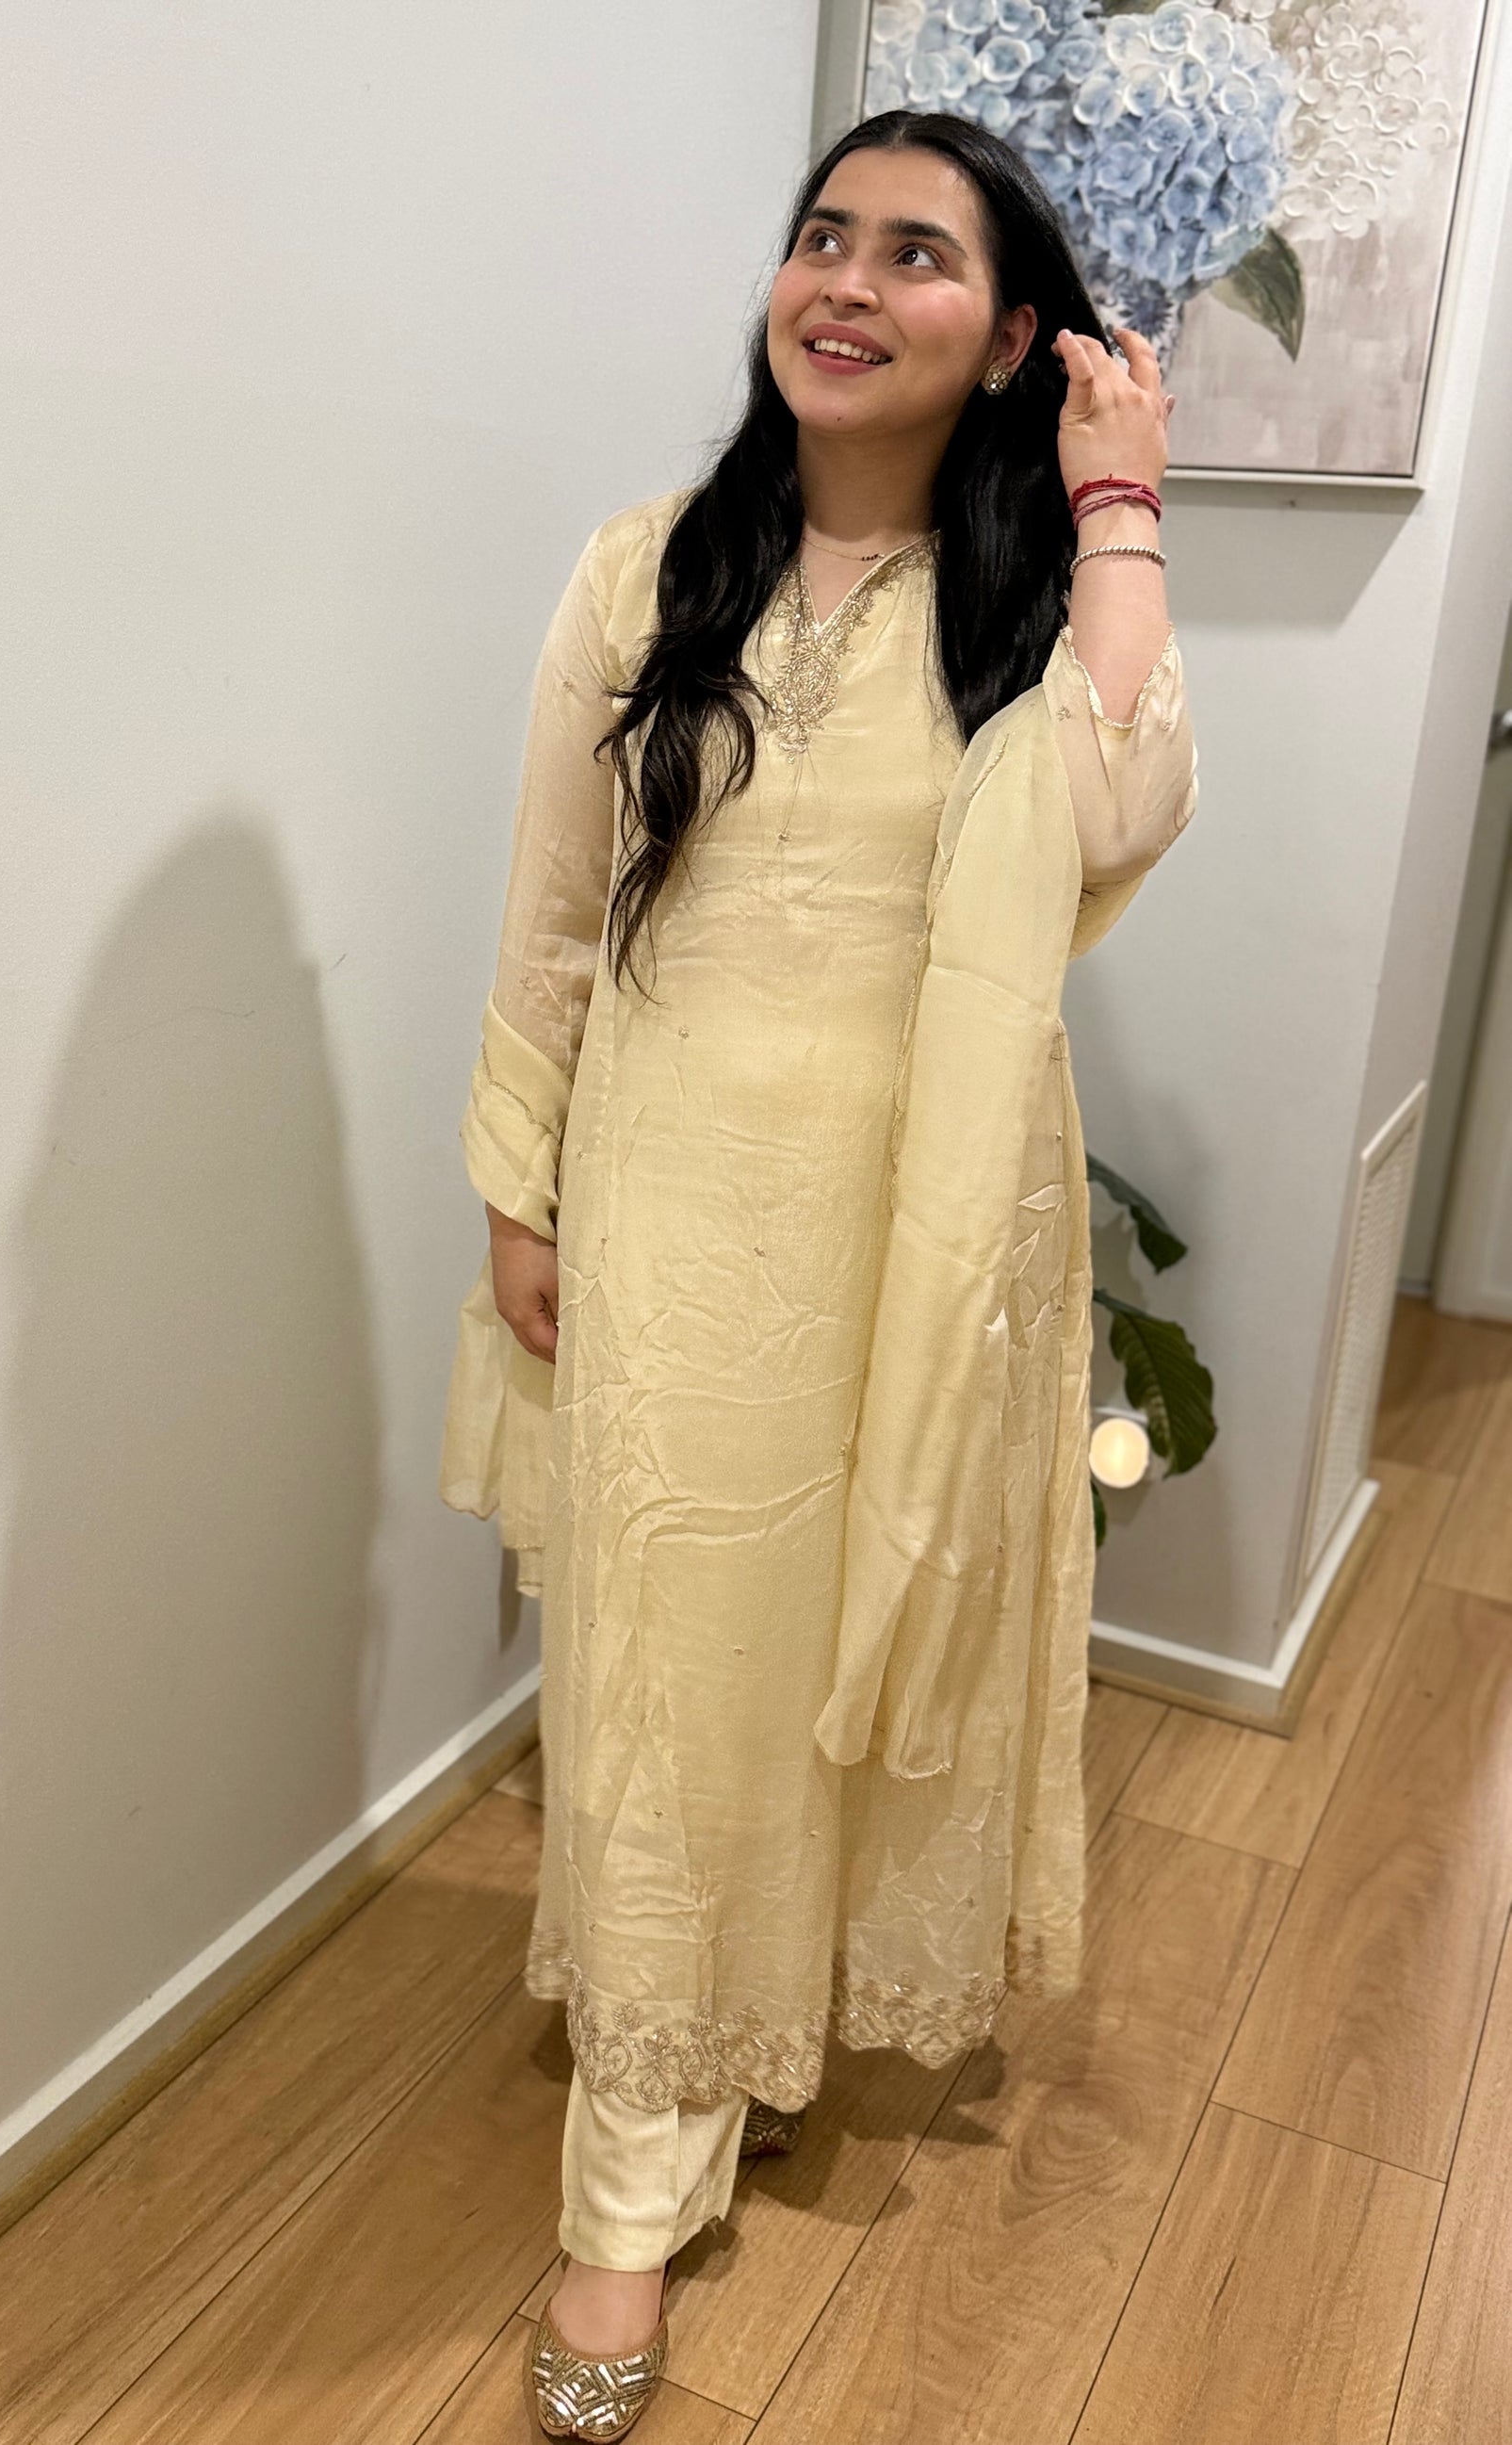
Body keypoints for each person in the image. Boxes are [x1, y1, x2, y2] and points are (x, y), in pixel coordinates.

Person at [439, 105, 1196, 2442]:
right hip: (676, 1206)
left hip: (924, 1224)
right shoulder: (645, 570)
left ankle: (751, 2018)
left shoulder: (1016, 606)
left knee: (839, 1641)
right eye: (820, 237)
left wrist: (1120, 506)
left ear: (1010, 335)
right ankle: (629, 2175)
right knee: (666, 1671)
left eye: (916, 256)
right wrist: (519, 1183)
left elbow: (1111, 808)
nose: (845, 285)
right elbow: (553, 905)